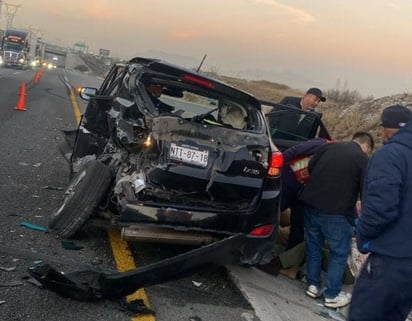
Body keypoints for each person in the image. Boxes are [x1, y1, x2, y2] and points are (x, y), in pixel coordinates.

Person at [349, 105, 412, 321]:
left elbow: (381, 210)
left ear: (386, 128)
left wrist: (363, 235)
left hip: (389, 259)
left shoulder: (391, 154)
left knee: (364, 315)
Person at [299, 131, 374, 308]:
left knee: (313, 246)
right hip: (337, 214)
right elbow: (366, 192)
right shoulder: (363, 160)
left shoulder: (328, 147)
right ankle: (331, 295)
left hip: (311, 204)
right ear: (367, 147)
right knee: (339, 254)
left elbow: (310, 167)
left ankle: (313, 285)